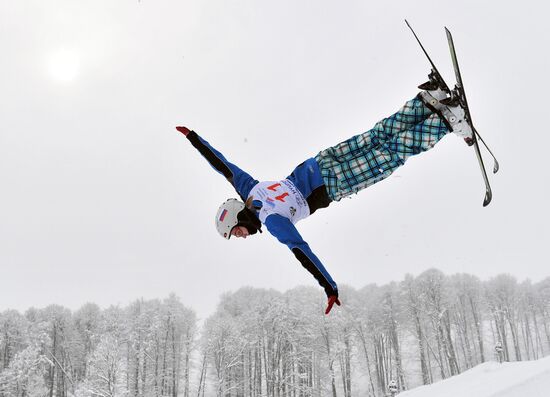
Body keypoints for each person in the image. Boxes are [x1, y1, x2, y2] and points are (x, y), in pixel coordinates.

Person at [176, 79, 472, 315]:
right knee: (378, 136)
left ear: (239, 216)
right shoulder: (248, 188)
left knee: (389, 155)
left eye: (236, 231)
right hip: (318, 162)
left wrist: (329, 287)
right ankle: (428, 101)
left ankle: (447, 121)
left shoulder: (273, 220)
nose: (242, 236)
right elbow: (221, 164)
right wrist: (194, 139)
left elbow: (303, 252)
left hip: (333, 183)